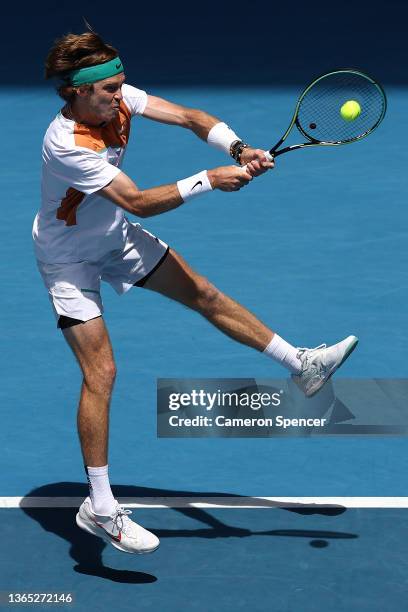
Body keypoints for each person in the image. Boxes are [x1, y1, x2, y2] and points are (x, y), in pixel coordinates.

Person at [33, 31, 358, 554]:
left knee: (203, 293)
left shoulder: (119, 98)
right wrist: (209, 178)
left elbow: (190, 116)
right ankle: (99, 506)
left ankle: (301, 364)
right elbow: (137, 201)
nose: (120, 96)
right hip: (67, 258)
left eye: (120, 86)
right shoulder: (65, 143)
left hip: (114, 238)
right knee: (102, 372)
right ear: (74, 91)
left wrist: (237, 148)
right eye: (108, 91)